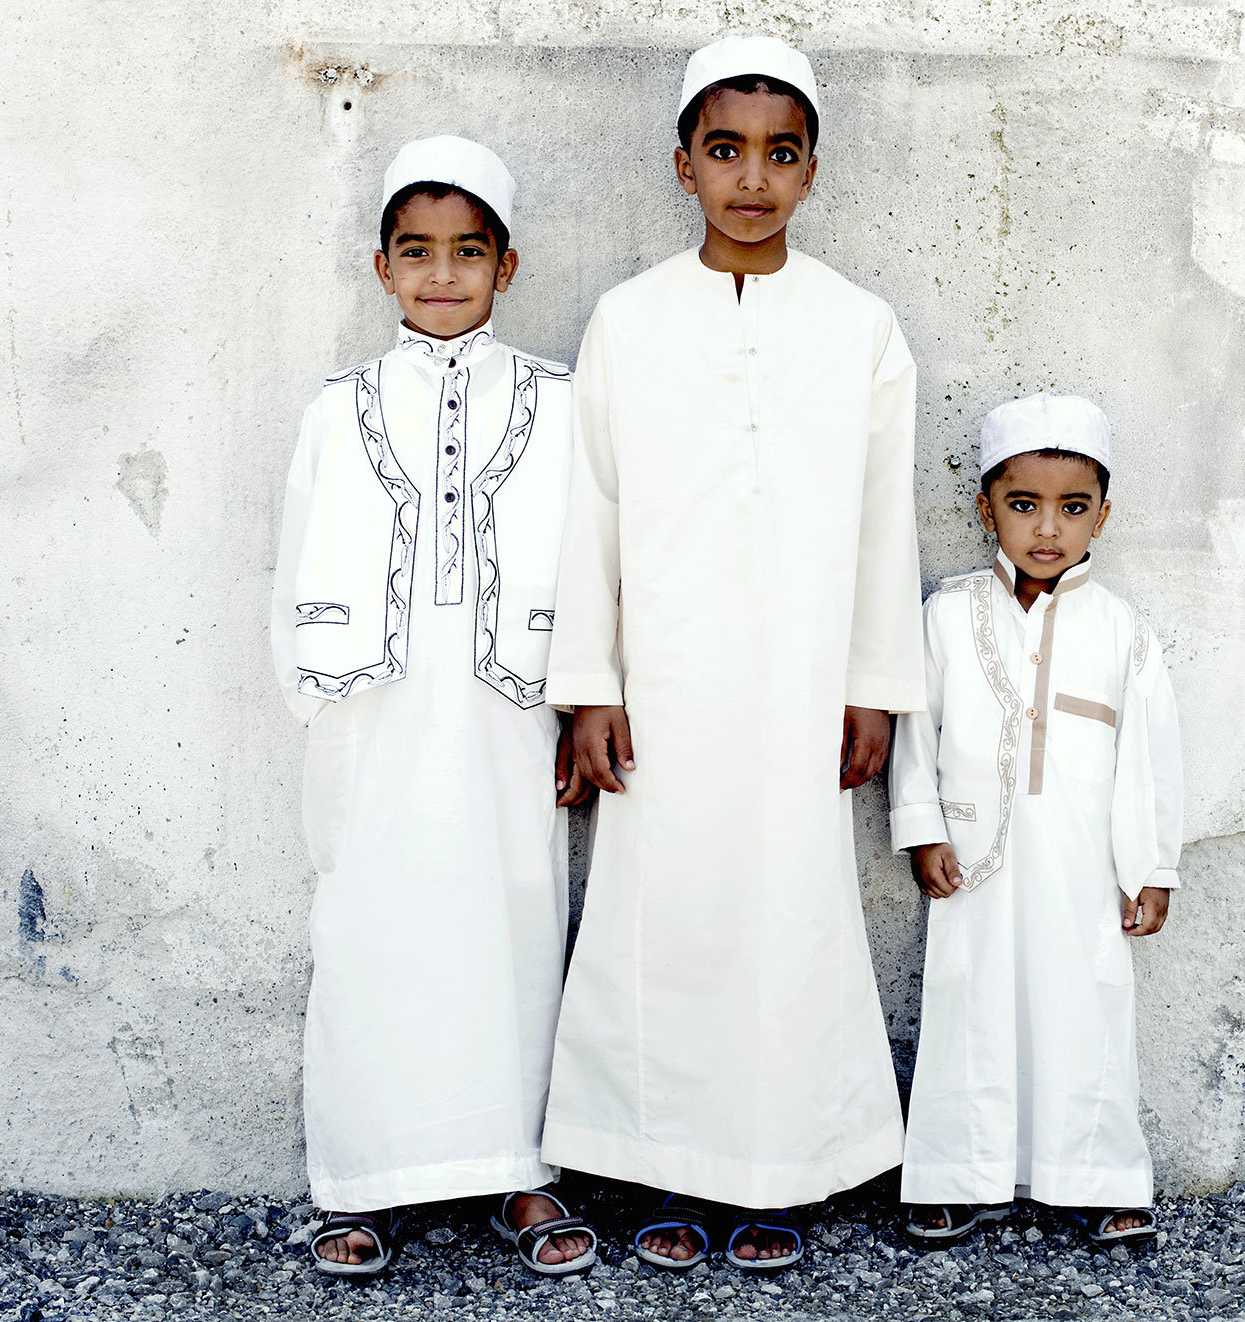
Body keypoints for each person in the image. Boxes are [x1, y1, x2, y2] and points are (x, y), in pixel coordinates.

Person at [542, 35, 925, 1274]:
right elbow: (588, 507)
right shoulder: (628, 318)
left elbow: (883, 520)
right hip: (664, 678)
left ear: (811, 171)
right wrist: (587, 686)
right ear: (682, 166)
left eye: (778, 153)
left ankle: (779, 1173)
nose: (750, 177)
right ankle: (664, 1166)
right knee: (666, 915)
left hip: (805, 677)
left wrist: (873, 684)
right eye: (724, 151)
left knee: (789, 912)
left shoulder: (860, 328)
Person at [270, 135, 596, 1278]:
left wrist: (581, 701)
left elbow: (594, 562)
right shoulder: (340, 406)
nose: (443, 273)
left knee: (512, 920)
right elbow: (294, 559)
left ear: (506, 267)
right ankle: (360, 1180)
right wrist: (320, 700)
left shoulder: (559, 402)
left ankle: (519, 1170)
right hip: (375, 716)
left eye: (469, 251)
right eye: (418, 251)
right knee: (366, 927)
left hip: (510, 712)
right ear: (381, 268)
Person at [888, 392, 1183, 1246]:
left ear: (1103, 516)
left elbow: (1149, 760)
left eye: (1072, 507)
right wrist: (923, 827)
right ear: (987, 510)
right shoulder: (947, 616)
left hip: (1081, 864)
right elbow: (915, 730)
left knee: (1085, 1005)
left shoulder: (1120, 630)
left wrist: (1152, 868)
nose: (1047, 527)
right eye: (1024, 505)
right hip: (974, 853)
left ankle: (1096, 1177)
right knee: (968, 1000)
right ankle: (954, 1172)